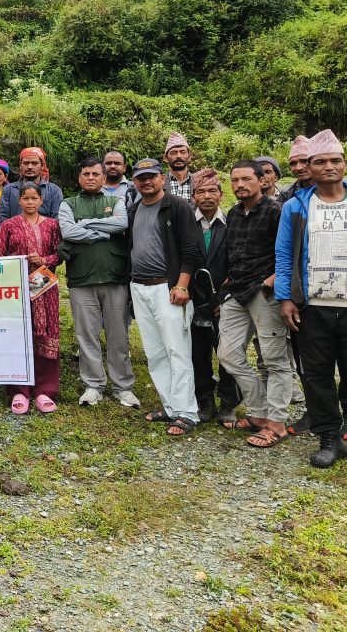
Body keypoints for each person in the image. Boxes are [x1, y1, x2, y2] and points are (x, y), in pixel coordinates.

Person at [276, 130, 347, 468]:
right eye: (320, 161)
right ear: (309, 167)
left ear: (345, 163)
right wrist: (286, 298)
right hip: (313, 303)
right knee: (317, 373)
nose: (328, 166)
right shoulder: (296, 207)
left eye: (335, 160)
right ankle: (329, 437)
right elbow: (283, 255)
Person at [214, 161, 290, 449]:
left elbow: (288, 251)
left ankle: (277, 423)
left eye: (246, 179)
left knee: (274, 359)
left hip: (264, 291)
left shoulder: (275, 211)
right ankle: (259, 413)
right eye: (234, 180)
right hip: (236, 291)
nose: (239, 185)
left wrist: (271, 281)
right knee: (229, 354)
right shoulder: (233, 213)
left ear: (262, 181)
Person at [126, 158, 202, 436]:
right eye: (141, 178)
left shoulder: (177, 206)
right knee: (155, 352)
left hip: (167, 288)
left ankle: (186, 412)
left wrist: (182, 284)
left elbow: (190, 248)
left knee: (177, 349)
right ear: (134, 181)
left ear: (162, 178)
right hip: (140, 287)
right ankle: (170, 406)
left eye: (152, 176)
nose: (146, 182)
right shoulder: (134, 209)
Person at [58, 158, 138, 408]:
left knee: (119, 336)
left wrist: (86, 224)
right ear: (79, 178)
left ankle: (123, 386)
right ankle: (93, 385)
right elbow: (69, 233)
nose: (90, 177)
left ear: (104, 178)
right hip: (82, 278)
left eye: (95, 174)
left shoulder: (116, 201)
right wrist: (104, 231)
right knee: (87, 335)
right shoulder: (68, 203)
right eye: (86, 173)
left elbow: (122, 224)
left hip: (115, 277)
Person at [0, 183, 63, 415]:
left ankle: (45, 389)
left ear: (41, 200)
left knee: (46, 333)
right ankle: (19, 390)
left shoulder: (53, 225)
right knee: (18, 333)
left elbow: (60, 254)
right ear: (19, 201)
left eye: (34, 198)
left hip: (45, 284)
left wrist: (44, 260)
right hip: (16, 285)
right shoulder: (8, 225)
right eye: (26, 198)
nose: (30, 202)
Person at [188, 169, 240, 425]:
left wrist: (224, 297)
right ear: (193, 196)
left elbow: (239, 262)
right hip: (193, 299)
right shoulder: (186, 223)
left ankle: (229, 402)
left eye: (212, 191)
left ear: (221, 194)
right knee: (198, 352)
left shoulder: (232, 223)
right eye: (201, 192)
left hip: (225, 301)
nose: (207, 196)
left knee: (228, 352)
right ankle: (204, 399)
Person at [1, 147, 64, 220]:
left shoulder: (54, 191)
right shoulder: (9, 190)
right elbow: (3, 220)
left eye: (34, 163)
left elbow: (56, 221)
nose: (29, 167)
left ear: (42, 166)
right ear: (20, 165)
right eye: (26, 163)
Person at [163, 132, 194, 202]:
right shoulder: (159, 183)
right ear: (165, 158)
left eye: (183, 152)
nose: (179, 156)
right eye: (173, 153)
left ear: (189, 157)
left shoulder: (198, 182)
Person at [280, 135, 312, 202]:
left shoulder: (334, 188)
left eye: (304, 161)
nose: (298, 168)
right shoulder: (286, 195)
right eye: (293, 163)